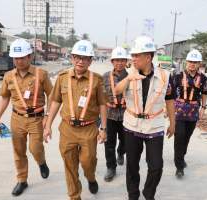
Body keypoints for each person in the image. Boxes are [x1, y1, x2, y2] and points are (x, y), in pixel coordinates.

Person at [43, 40, 107, 200]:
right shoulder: (63, 77)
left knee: (88, 161)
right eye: (77, 57)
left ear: (90, 61)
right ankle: (74, 195)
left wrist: (104, 129)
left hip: (89, 128)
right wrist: (48, 125)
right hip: (67, 129)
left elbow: (102, 105)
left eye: (85, 58)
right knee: (70, 165)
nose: (80, 61)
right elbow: (56, 101)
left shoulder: (97, 80)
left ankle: (90, 177)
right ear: (72, 58)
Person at [115, 36, 176, 200]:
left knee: (156, 166)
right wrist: (128, 78)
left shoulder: (165, 76)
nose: (133, 59)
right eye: (132, 55)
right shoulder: (128, 73)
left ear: (148, 57)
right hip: (132, 126)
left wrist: (173, 123)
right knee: (132, 166)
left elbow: (170, 101)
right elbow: (116, 91)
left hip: (154, 126)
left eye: (136, 56)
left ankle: (149, 193)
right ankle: (133, 195)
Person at [0, 38, 52, 196]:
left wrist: (48, 116)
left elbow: (52, 96)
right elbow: (5, 97)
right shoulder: (8, 76)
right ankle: (22, 180)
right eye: (15, 58)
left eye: (22, 57)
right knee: (18, 151)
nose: (18, 61)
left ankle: (41, 162)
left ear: (30, 57)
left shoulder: (42, 74)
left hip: (36, 118)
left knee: (35, 148)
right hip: (17, 118)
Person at [172, 49, 207, 178]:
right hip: (179, 111)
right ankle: (179, 166)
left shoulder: (203, 78)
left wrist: (203, 108)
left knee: (186, 138)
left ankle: (181, 157)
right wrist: (168, 109)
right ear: (186, 62)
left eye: (195, 62)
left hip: (193, 112)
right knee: (179, 137)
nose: (192, 64)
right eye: (190, 61)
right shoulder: (177, 75)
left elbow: (205, 93)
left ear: (199, 64)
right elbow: (170, 94)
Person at [102, 47, 128, 182]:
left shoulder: (131, 76)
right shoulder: (105, 76)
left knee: (125, 141)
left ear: (126, 62)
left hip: (126, 116)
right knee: (109, 143)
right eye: (117, 60)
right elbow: (100, 98)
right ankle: (111, 167)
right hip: (110, 115)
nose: (119, 63)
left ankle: (121, 152)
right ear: (112, 61)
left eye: (122, 60)